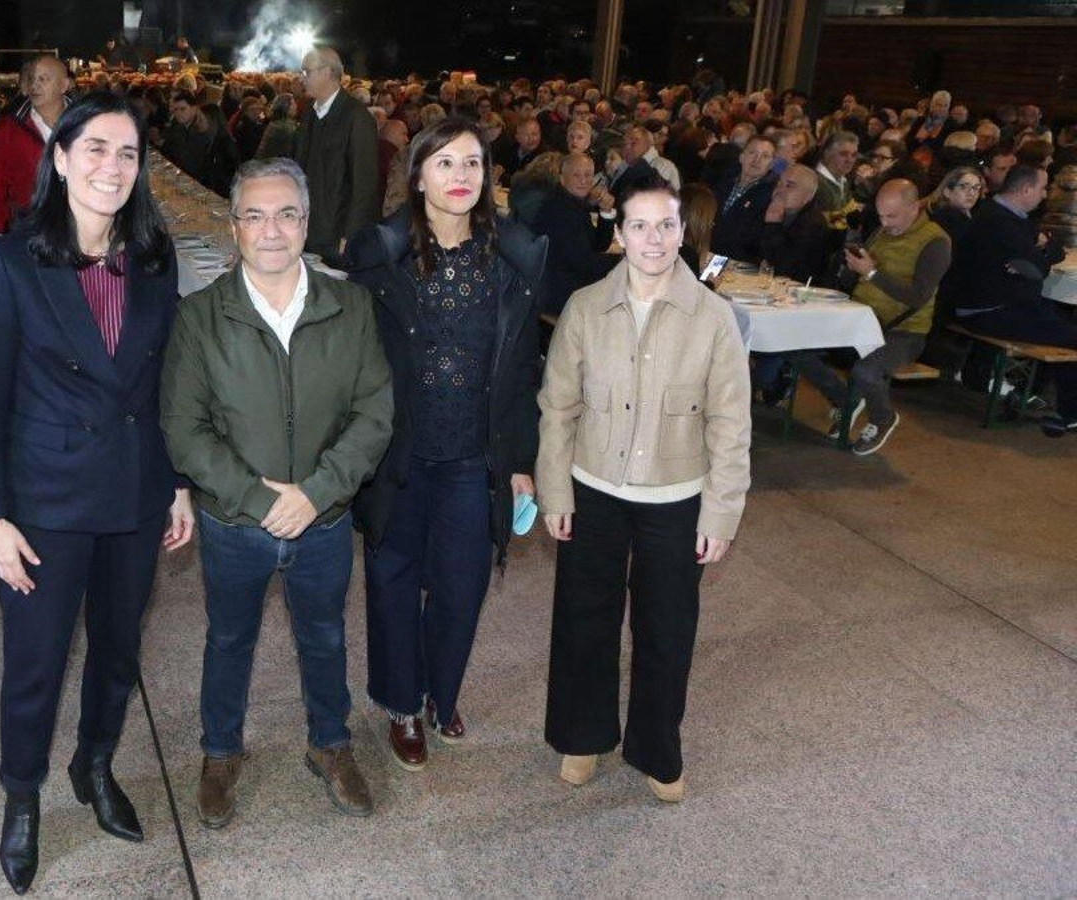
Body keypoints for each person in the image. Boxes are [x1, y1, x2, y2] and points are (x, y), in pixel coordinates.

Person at [0, 92, 191, 894]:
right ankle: (20, 796)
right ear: (59, 158)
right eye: (95, 149)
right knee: (35, 662)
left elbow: (163, 386)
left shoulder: (155, 260)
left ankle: (94, 764)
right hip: (45, 505)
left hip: (133, 495)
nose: (112, 167)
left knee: (120, 652)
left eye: (128, 153)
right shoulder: (11, 260)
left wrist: (176, 485)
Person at [161, 157, 393, 829]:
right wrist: (260, 500)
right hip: (236, 524)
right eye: (255, 216)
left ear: (306, 223)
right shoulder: (200, 316)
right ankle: (220, 751)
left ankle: (330, 744)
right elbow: (184, 427)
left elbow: (374, 412)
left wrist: (316, 492)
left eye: (286, 214)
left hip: (321, 523)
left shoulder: (349, 308)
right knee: (229, 638)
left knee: (323, 637)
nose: (272, 230)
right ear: (233, 229)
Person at [536, 177, 751, 804]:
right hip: (593, 490)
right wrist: (556, 491)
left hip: (677, 497)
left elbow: (731, 424)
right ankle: (582, 736)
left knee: (667, 629)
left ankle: (657, 748)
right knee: (584, 620)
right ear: (619, 232)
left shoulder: (713, 319)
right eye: (639, 225)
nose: (653, 239)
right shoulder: (584, 308)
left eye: (666, 226)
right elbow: (557, 407)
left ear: (683, 233)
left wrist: (722, 511)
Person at [342, 119, 546, 772]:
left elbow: (521, 369)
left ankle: (442, 693)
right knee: (393, 581)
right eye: (445, 163)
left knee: (462, 587)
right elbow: (355, 361)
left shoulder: (512, 260)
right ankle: (403, 705)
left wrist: (519, 463)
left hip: (472, 457)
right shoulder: (380, 256)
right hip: (398, 453)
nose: (461, 177)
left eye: (473, 164)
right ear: (418, 175)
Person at [795, 179, 949, 455]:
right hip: (859, 317)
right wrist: (854, 266)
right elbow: (868, 269)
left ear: (914, 207)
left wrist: (872, 273)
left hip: (904, 331)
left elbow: (918, 296)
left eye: (892, 215)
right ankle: (846, 401)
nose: (886, 222)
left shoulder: (936, 241)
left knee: (865, 372)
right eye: (880, 215)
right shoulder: (882, 230)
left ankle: (882, 418)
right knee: (796, 348)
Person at [955, 164, 1077, 436]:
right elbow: (1039, 270)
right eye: (1043, 188)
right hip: (988, 310)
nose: (1045, 195)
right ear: (1025, 190)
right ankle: (1070, 414)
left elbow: (1051, 251)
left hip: (1008, 303)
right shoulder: (999, 222)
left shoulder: (1010, 216)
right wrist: (1039, 255)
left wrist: (1040, 252)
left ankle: (1028, 394)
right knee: (1070, 338)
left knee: (1061, 322)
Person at [295, 46, 379, 262]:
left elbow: (364, 184)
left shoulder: (356, 117)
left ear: (327, 72)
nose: (300, 77)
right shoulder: (309, 114)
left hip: (336, 236)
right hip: (307, 229)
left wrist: (350, 234)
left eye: (306, 72)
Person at [0, 54, 69, 231]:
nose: (34, 85)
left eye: (43, 79)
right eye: (31, 79)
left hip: (79, 224)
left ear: (64, 85)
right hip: (30, 226)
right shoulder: (9, 128)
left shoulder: (86, 123)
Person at [523, 151, 615, 313]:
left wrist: (606, 213)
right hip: (557, 293)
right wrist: (623, 260)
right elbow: (586, 264)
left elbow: (599, 245)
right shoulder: (560, 210)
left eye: (588, 175)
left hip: (565, 281)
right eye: (576, 175)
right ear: (562, 178)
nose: (583, 181)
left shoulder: (572, 202)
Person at [708, 134, 777, 264]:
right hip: (706, 253)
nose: (757, 160)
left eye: (765, 156)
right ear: (741, 157)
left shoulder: (771, 196)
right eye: (752, 153)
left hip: (738, 263)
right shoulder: (723, 180)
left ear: (772, 164)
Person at [159, 90, 239, 197]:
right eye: (175, 110)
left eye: (183, 109)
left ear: (194, 108)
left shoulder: (205, 131)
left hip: (210, 189)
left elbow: (194, 166)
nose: (178, 113)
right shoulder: (181, 126)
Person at [759, 163, 828, 284]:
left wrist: (773, 225)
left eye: (789, 186)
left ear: (808, 196)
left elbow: (787, 269)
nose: (780, 190)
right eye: (779, 183)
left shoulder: (814, 225)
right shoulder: (768, 206)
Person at [814, 130, 859, 214]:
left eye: (854, 155)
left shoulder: (843, 180)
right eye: (843, 154)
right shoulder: (816, 183)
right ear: (827, 154)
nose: (850, 160)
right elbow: (833, 224)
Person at [254, 93, 299, 160]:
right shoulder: (284, 127)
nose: (296, 106)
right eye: (293, 104)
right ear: (286, 107)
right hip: (271, 165)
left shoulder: (276, 123)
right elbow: (292, 152)